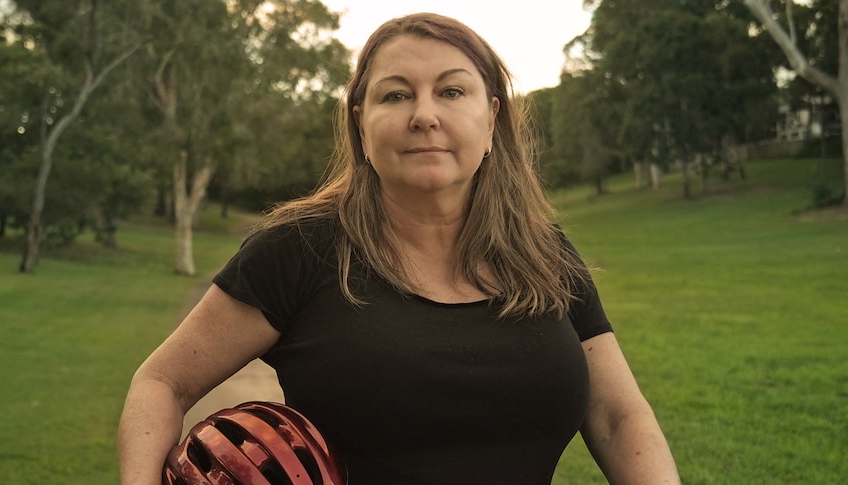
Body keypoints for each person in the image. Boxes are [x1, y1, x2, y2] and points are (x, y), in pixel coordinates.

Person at [118, 12, 681, 485]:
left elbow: (616, 415)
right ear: (362, 124)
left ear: (492, 118)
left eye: (452, 91)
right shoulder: (299, 251)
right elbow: (162, 382)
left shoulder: (543, 253)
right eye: (396, 94)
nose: (425, 115)